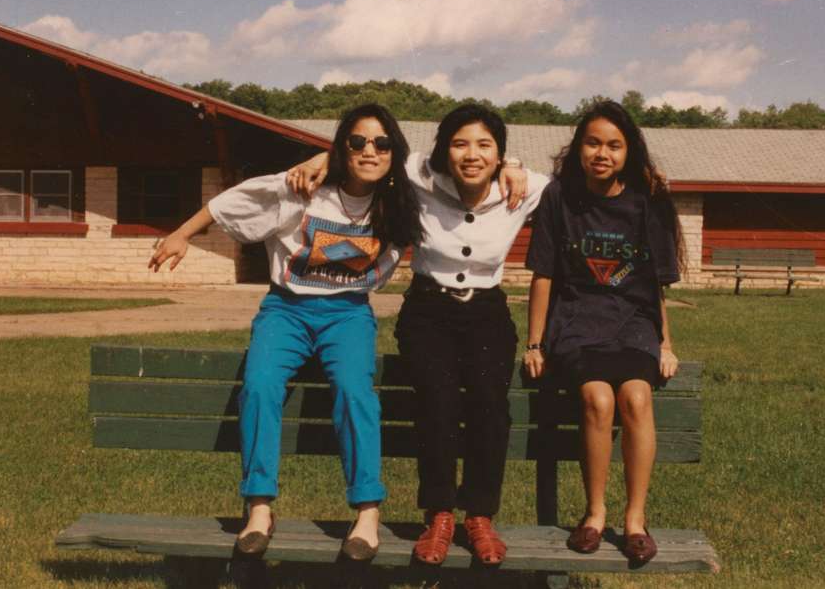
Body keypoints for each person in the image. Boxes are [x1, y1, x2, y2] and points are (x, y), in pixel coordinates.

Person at [148, 103, 422, 560]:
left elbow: (455, 168)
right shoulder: (302, 188)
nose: (369, 150)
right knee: (258, 386)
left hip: (348, 314)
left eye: (381, 143)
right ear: (341, 147)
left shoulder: (398, 200)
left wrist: (511, 168)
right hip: (287, 310)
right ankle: (258, 508)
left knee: (356, 391)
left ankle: (367, 513)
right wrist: (182, 234)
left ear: (394, 152)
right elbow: (229, 201)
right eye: (356, 142)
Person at [288, 103, 543, 566]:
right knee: (438, 401)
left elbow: (584, 191)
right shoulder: (418, 173)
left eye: (485, 146)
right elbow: (364, 151)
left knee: (491, 405)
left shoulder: (523, 187)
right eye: (460, 143)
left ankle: (480, 517)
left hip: (486, 312)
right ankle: (439, 515)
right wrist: (319, 159)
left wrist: (517, 166)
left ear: (500, 153)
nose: (472, 155)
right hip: (428, 310)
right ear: (444, 148)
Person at [523, 100, 683, 564]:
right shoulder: (559, 196)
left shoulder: (647, 199)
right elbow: (544, 274)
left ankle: (635, 520)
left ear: (629, 151)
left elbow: (653, 283)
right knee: (597, 398)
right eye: (593, 142)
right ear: (578, 148)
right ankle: (594, 514)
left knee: (636, 397)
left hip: (633, 322)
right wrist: (535, 342)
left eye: (614, 145)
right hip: (575, 320)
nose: (602, 153)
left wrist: (665, 343)